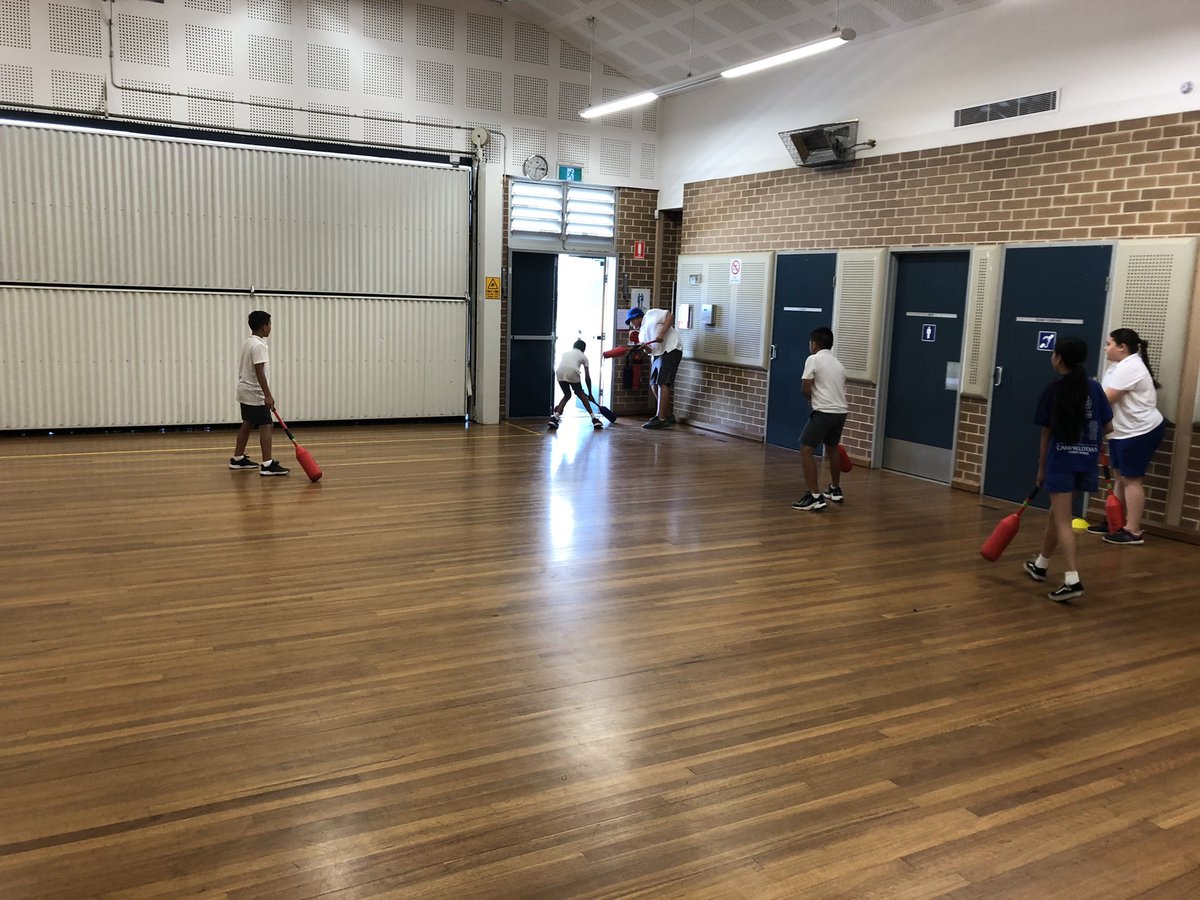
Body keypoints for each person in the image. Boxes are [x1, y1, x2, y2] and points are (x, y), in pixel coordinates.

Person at [1024, 336, 1112, 602]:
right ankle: (1041, 564)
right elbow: (1108, 427)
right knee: (1057, 513)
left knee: (1063, 519)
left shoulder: (1054, 390)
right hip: (1086, 462)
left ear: (1059, 358)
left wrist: (1041, 467)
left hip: (1061, 461)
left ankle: (1072, 579)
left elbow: (1046, 433)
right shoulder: (1095, 388)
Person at [1087, 328, 1164, 545]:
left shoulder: (1130, 367)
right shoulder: (1118, 366)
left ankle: (1133, 530)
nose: (1105, 348)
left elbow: (1105, 399)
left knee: (1132, 480)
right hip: (1123, 432)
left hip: (1140, 432)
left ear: (1122, 347)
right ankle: (1115, 522)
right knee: (1120, 477)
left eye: (1109, 343)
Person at [792, 327, 848, 511]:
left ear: (813, 344)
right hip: (840, 412)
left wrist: (810, 400)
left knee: (806, 449)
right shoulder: (838, 363)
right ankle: (835, 488)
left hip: (824, 411)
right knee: (832, 448)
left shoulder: (813, 359)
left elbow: (805, 387)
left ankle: (814, 496)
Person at [230, 310, 289, 476]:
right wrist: (268, 395)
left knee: (248, 422)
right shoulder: (259, 345)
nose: (271, 328)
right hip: (255, 392)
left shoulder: (248, 342)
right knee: (266, 425)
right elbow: (259, 371)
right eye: (270, 324)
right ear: (264, 327)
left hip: (244, 390)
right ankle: (267, 464)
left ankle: (238, 458)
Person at [625, 306, 683, 429]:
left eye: (631, 321)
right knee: (653, 383)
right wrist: (644, 347)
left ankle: (661, 418)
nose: (631, 324)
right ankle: (667, 415)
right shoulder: (641, 334)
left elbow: (670, 316)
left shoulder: (651, 314)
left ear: (637, 317)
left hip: (671, 349)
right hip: (657, 354)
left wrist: (662, 333)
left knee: (663, 382)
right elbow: (651, 350)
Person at [549, 339, 603, 430]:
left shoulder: (565, 353)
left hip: (559, 372)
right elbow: (587, 377)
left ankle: (555, 418)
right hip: (573, 372)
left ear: (574, 346)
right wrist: (590, 393)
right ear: (584, 349)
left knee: (567, 395)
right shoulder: (583, 357)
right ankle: (594, 419)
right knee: (581, 395)